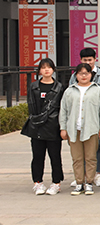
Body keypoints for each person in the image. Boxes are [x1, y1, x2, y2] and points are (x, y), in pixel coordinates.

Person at [59, 63, 100, 196]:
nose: (83, 76)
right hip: (74, 130)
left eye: (86, 73)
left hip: (92, 129)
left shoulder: (98, 91)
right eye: (80, 73)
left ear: (91, 74)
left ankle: (89, 183)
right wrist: (63, 128)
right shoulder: (69, 91)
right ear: (76, 75)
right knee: (77, 158)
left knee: (91, 158)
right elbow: (63, 111)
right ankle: (79, 183)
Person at [69, 48, 100, 188]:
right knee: (79, 151)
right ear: (81, 60)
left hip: (94, 118)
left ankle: (96, 174)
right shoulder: (75, 75)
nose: (88, 62)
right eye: (85, 60)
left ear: (95, 59)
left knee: (97, 147)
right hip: (78, 119)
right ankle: (81, 176)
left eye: (90, 60)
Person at [22, 58, 64, 196]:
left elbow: (61, 108)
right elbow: (31, 105)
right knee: (38, 156)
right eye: (43, 67)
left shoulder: (59, 87)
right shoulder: (33, 86)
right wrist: (36, 121)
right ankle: (37, 182)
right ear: (39, 70)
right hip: (37, 126)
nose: (46, 70)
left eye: (49, 67)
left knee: (55, 156)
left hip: (53, 126)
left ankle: (56, 183)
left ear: (53, 69)